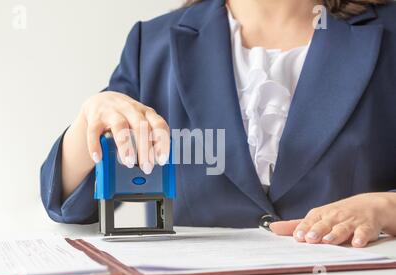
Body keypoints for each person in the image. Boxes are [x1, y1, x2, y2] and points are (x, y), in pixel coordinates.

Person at [41, 0, 396, 248]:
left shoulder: (389, 33)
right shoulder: (152, 43)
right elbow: (73, 204)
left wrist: (385, 207)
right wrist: (91, 116)